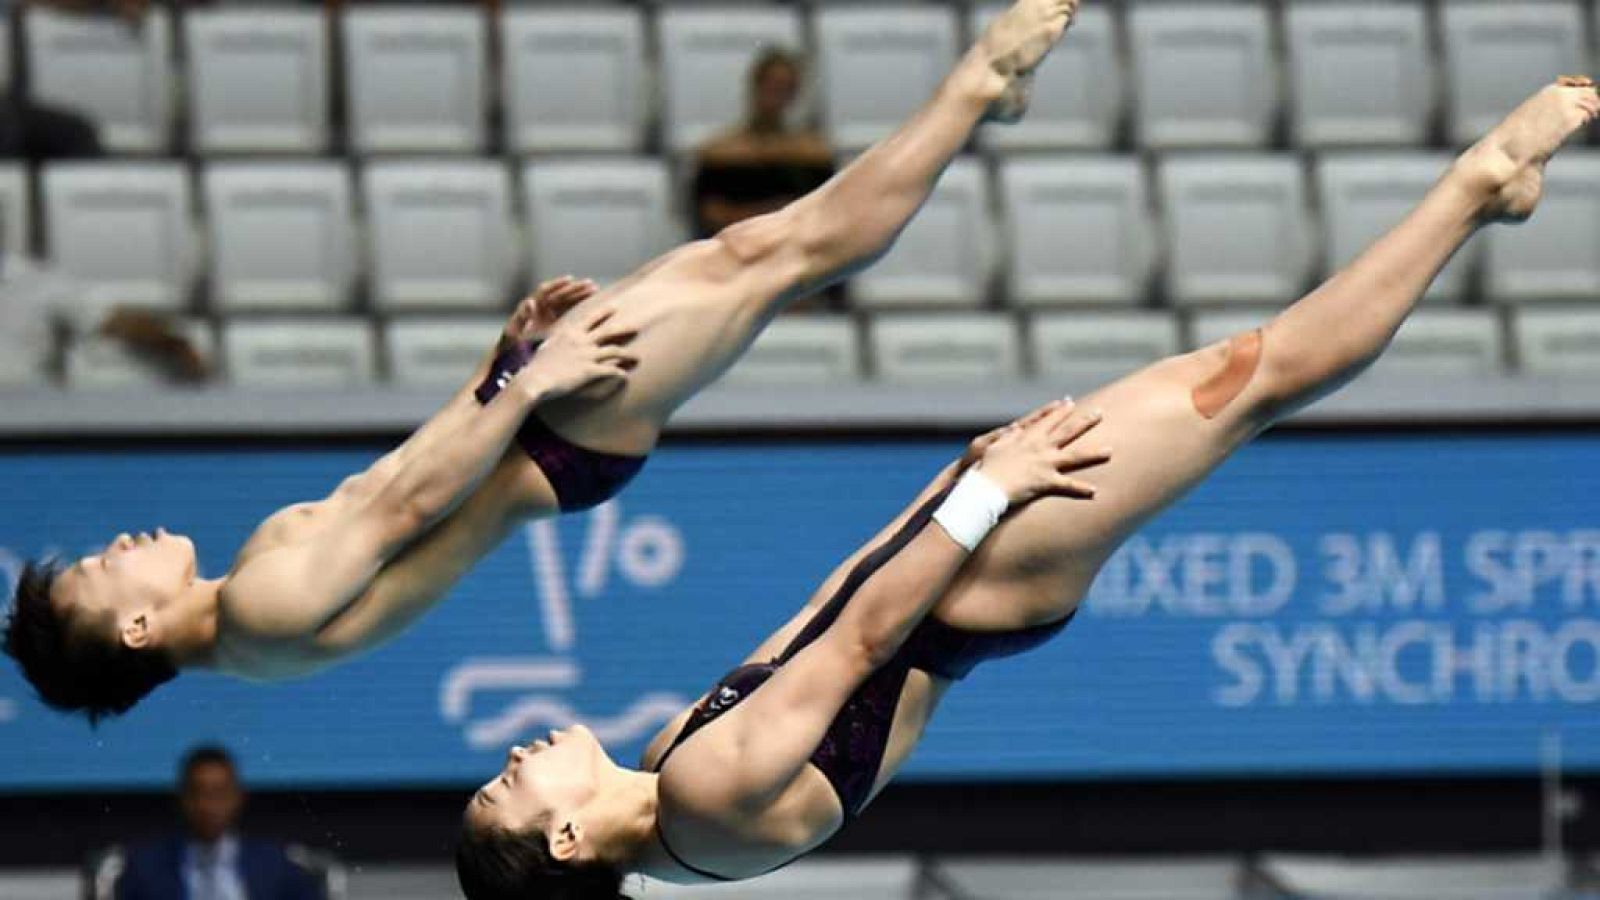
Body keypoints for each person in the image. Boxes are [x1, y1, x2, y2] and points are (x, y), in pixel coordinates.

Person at [453, 78, 1600, 894]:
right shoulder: (702, 796)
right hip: (974, 575)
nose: (510, 761)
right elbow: (854, 646)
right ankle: (1480, 186)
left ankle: (1477, 194)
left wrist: (941, 498)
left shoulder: (671, 781)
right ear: (563, 842)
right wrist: (986, 496)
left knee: (1238, 377)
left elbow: (820, 619)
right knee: (1252, 376)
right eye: (506, 792)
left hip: (952, 568)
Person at [3, 0, 1082, 720]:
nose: (124, 541)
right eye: (105, 568)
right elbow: (404, 495)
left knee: (761, 252)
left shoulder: (250, 619)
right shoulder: (259, 608)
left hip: (540, 429)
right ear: (135, 628)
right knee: (783, 253)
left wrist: (500, 364)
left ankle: (978, 102)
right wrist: (536, 377)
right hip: (555, 433)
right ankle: (979, 85)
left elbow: (410, 484)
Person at [115, 744, 324, 900]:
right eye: (198, 793)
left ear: (238, 797)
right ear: (183, 798)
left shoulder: (275, 866)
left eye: (218, 793)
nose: (208, 805)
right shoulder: (147, 868)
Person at [691, 48, 835, 241]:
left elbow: (823, 215)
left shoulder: (813, 155)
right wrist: (770, 214)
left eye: (785, 87)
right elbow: (711, 215)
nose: (776, 94)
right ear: (755, 86)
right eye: (771, 85)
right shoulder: (720, 155)